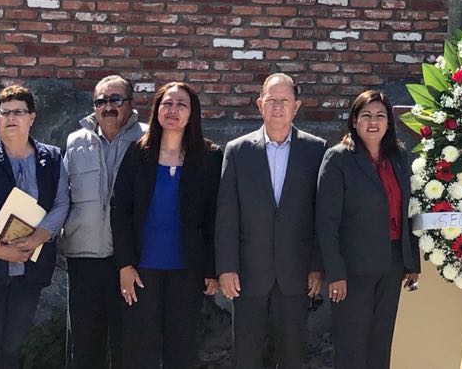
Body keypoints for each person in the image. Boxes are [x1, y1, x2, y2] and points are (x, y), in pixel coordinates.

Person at [0, 85, 70, 369]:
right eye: (4, 113)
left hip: (28, 272)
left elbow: (61, 203)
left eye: (18, 112)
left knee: (14, 350)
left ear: (32, 117)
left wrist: (38, 238)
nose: (10, 118)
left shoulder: (53, 158)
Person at [217, 73, 326, 369]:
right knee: (247, 356)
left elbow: (322, 215)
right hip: (249, 274)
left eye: (285, 101)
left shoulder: (316, 150)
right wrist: (226, 268)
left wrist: (317, 265)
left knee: (292, 356)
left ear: (297, 106)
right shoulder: (237, 151)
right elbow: (227, 215)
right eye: (272, 100)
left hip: (296, 273)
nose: (278, 106)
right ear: (260, 104)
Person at [111, 82, 221, 369]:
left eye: (181, 105)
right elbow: (119, 209)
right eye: (167, 104)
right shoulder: (138, 153)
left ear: (192, 114)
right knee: (139, 351)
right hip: (141, 271)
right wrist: (124, 265)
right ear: (157, 110)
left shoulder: (209, 157)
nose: (173, 110)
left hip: (187, 272)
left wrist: (211, 269)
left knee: (182, 349)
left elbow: (213, 217)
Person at [316, 90, 420, 369]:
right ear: (354, 121)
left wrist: (412, 263)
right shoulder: (338, 158)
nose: (373, 122)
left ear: (389, 122)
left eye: (380, 116)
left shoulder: (399, 157)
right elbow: (326, 222)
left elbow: (407, 210)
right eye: (366, 116)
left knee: (380, 346)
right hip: (352, 270)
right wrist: (334, 273)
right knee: (352, 349)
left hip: (393, 262)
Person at [62, 75, 147, 368]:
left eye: (115, 99)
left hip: (133, 260)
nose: (107, 107)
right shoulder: (75, 142)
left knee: (129, 346)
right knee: (85, 346)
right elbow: (63, 197)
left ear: (131, 103)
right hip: (85, 258)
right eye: (101, 101)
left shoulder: (149, 140)